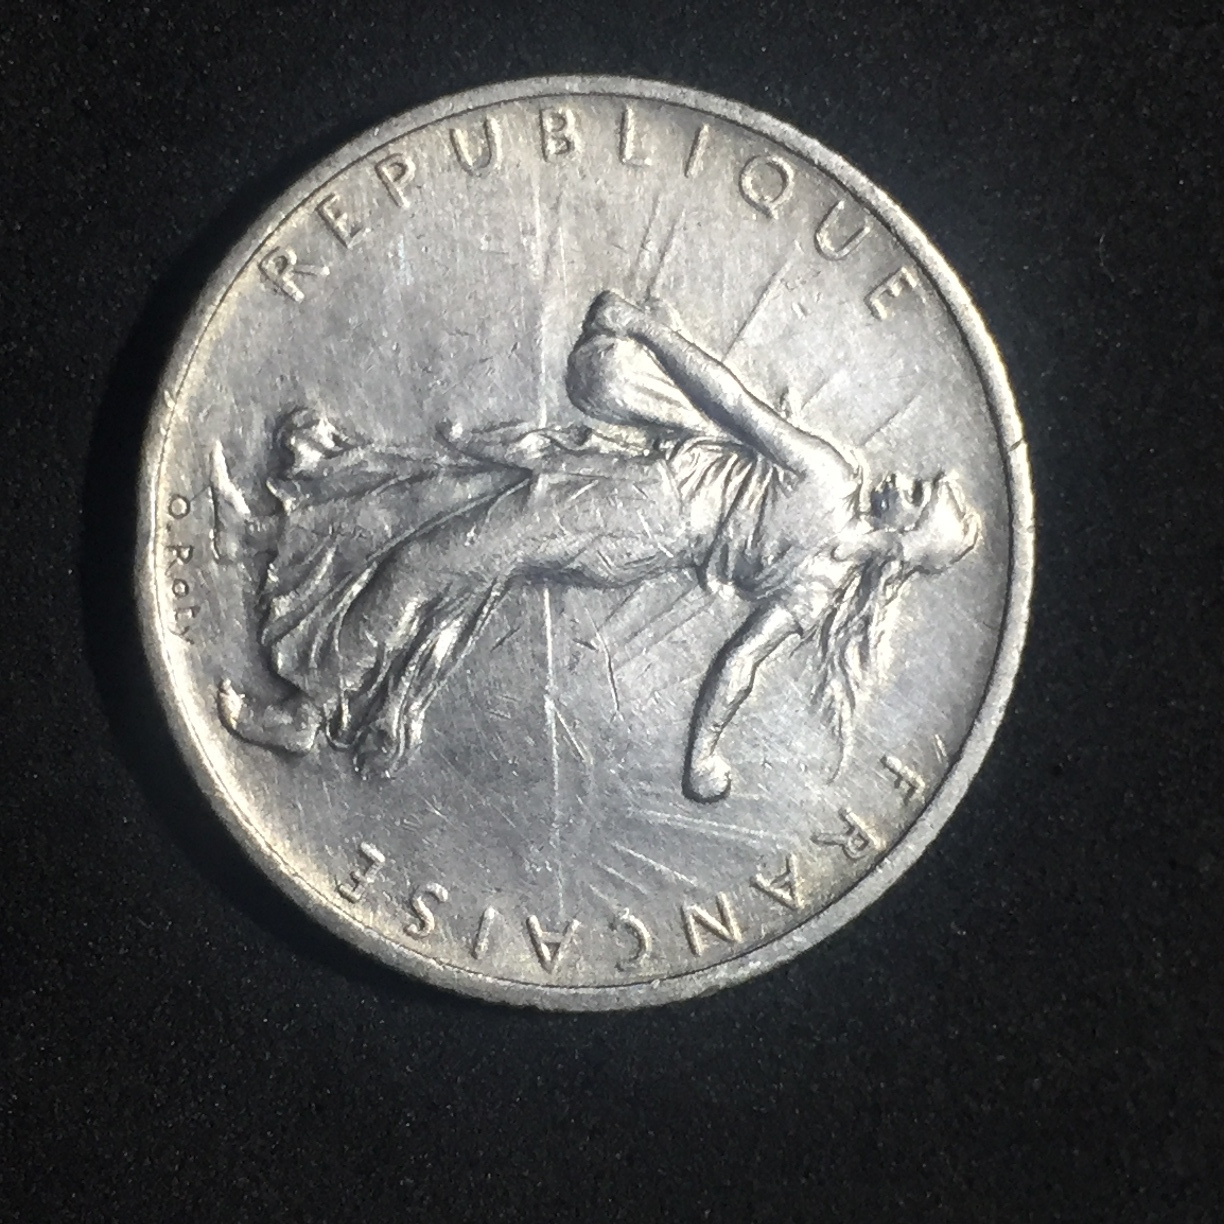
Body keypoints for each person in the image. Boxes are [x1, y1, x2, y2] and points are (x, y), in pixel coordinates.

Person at [216, 290, 979, 801]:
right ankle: (273, 529)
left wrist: (643, 327)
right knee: (442, 499)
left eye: (916, 497)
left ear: (902, 543)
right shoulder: (818, 585)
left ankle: (308, 712)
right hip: (638, 520)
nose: (904, 482)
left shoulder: (830, 476)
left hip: (637, 507)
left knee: (430, 558)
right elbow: (741, 662)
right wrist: (703, 758)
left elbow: (732, 401)